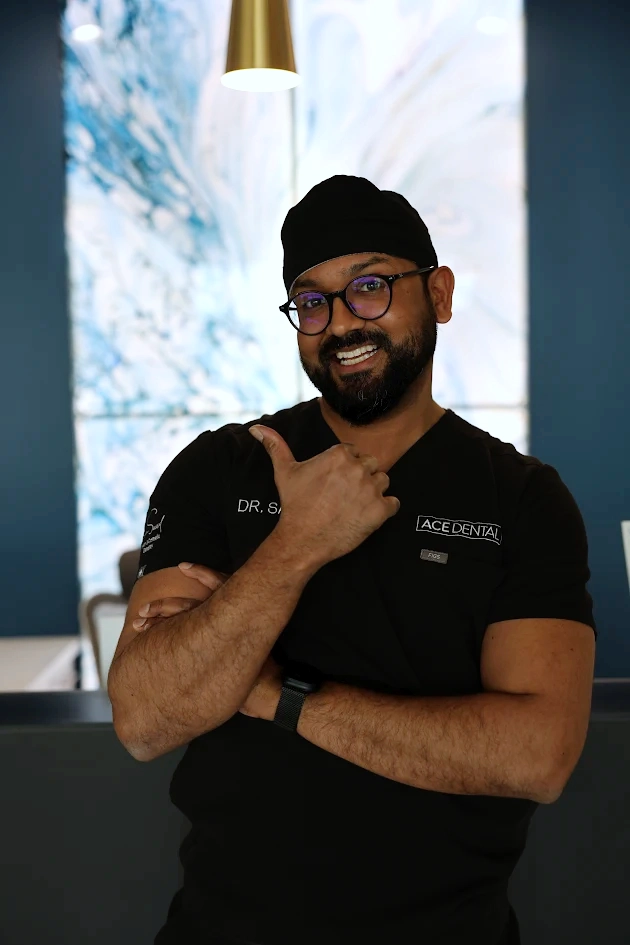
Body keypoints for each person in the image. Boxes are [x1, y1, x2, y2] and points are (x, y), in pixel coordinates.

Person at [108, 175, 597, 945]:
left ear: (437, 293)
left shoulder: (522, 499)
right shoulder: (220, 467)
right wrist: (298, 544)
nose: (340, 323)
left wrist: (275, 695)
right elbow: (144, 716)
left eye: (370, 286)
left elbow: (538, 756)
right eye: (312, 301)